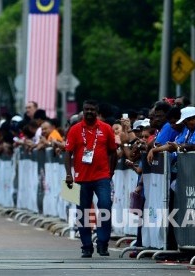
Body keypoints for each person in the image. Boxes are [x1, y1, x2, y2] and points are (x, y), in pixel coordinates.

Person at [64, 99, 118, 258]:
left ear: (96, 111)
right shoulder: (74, 129)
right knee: (82, 212)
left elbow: (113, 151)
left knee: (105, 206)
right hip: (81, 178)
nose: (89, 112)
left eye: (92, 110)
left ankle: (103, 243)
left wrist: (111, 172)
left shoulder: (106, 128)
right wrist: (69, 174)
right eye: (86, 109)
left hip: (102, 177)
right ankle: (86, 246)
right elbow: (68, 153)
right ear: (83, 110)